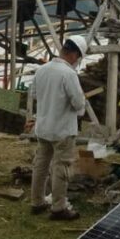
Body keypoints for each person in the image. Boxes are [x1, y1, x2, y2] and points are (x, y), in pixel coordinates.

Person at [29, 35, 88, 221]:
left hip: (44, 127)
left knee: (41, 164)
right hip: (62, 130)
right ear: (75, 54)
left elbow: (35, 94)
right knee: (61, 167)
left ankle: (37, 201)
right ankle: (58, 207)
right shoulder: (68, 74)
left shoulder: (42, 70)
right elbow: (78, 103)